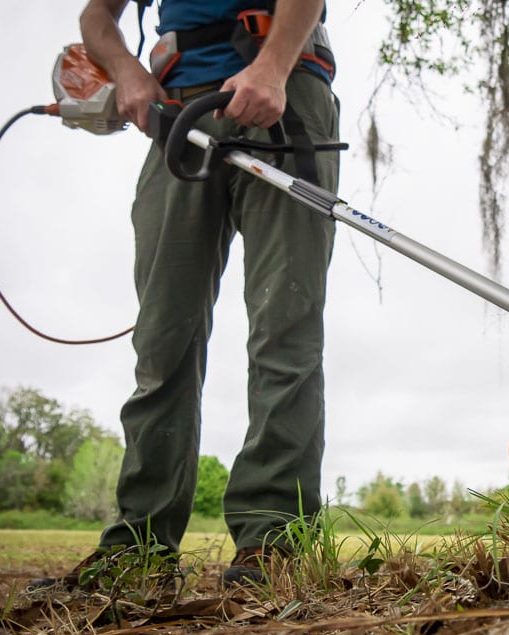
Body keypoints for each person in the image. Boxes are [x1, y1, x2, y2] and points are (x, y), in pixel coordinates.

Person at [31, 0, 339, 589]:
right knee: (162, 339)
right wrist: (126, 71)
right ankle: (139, 548)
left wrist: (273, 66)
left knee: (285, 329)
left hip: (285, 88)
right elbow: (97, 18)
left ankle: (273, 542)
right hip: (178, 112)